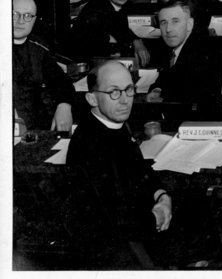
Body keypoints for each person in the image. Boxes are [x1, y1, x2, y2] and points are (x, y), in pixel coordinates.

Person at [67, 60, 173, 265]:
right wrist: (156, 217)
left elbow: (139, 167)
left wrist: (162, 196)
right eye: (114, 92)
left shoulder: (115, 122)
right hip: (117, 249)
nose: (125, 100)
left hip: (135, 227)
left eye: (129, 89)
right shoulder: (90, 144)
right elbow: (116, 220)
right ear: (92, 98)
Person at [146, 1, 222, 113]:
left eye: (175, 21)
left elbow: (187, 96)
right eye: (163, 23)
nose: (168, 29)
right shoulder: (174, 47)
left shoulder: (203, 53)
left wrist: (163, 96)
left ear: (189, 24)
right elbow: (167, 77)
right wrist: (157, 89)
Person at [13, 0, 74, 131]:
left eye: (28, 16)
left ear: (34, 20)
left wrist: (64, 105)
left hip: (35, 129)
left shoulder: (39, 49)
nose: (20, 21)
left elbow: (62, 82)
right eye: (14, 14)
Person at [71, 0, 153, 65]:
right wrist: (135, 40)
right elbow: (114, 24)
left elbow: (119, 24)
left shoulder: (118, 3)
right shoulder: (98, 3)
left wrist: (135, 40)